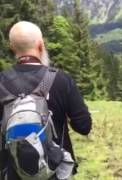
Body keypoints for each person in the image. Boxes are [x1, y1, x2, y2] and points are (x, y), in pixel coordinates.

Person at [0, 21, 92, 179]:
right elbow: (84, 127)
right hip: (55, 172)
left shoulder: (1, 81)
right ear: (41, 45)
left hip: (12, 172)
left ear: (12, 47)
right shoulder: (62, 80)